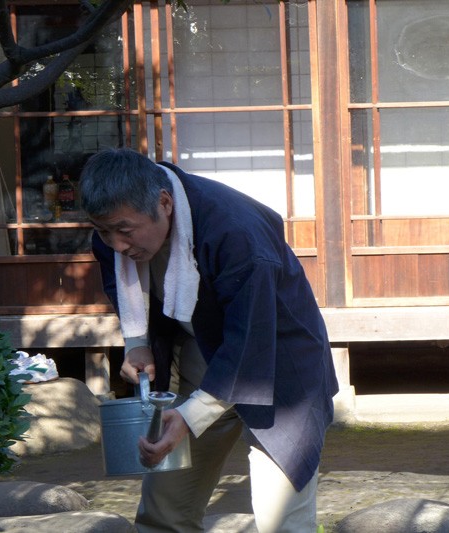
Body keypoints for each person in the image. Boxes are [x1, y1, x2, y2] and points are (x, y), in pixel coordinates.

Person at [79, 148, 339, 533]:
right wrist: (137, 341)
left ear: (164, 203)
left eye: (124, 230)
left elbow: (251, 342)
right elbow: (123, 282)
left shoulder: (237, 234)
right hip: (202, 346)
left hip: (281, 359)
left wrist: (190, 416)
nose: (116, 245)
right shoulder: (114, 231)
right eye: (104, 231)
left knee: (281, 517)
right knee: (164, 507)